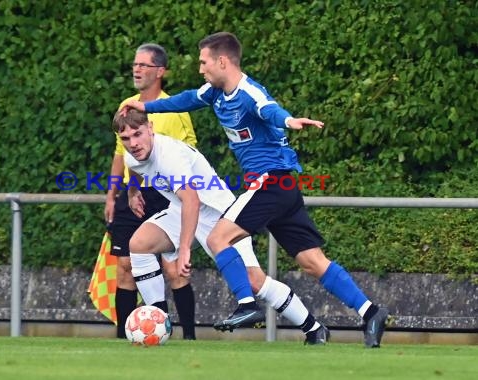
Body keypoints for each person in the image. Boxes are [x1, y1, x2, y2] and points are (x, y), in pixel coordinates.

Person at [123, 32, 389, 348]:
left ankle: (247, 306)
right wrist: (147, 107)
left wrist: (289, 121)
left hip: (271, 181)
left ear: (222, 61)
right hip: (284, 188)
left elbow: (270, 109)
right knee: (312, 261)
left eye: (204, 62)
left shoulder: (249, 93)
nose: (201, 69)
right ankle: (370, 312)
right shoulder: (215, 92)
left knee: (217, 237)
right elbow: (188, 99)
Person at [112, 108, 330, 345]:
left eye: (138, 134)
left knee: (254, 281)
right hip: (182, 211)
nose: (133, 143)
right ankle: (158, 319)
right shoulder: (133, 154)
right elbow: (135, 169)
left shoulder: (170, 156)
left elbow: (192, 200)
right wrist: (133, 192)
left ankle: (314, 328)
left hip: (218, 213)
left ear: (150, 129)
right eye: (126, 138)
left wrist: (184, 248)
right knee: (139, 244)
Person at [104, 43, 197, 340]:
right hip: (133, 194)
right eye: (135, 64)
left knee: (173, 271)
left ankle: (190, 338)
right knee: (125, 267)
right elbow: (121, 154)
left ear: (160, 72)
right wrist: (112, 194)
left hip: (164, 196)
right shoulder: (126, 105)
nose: (137, 69)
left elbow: (191, 153)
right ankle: (123, 337)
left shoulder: (175, 108)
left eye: (144, 65)